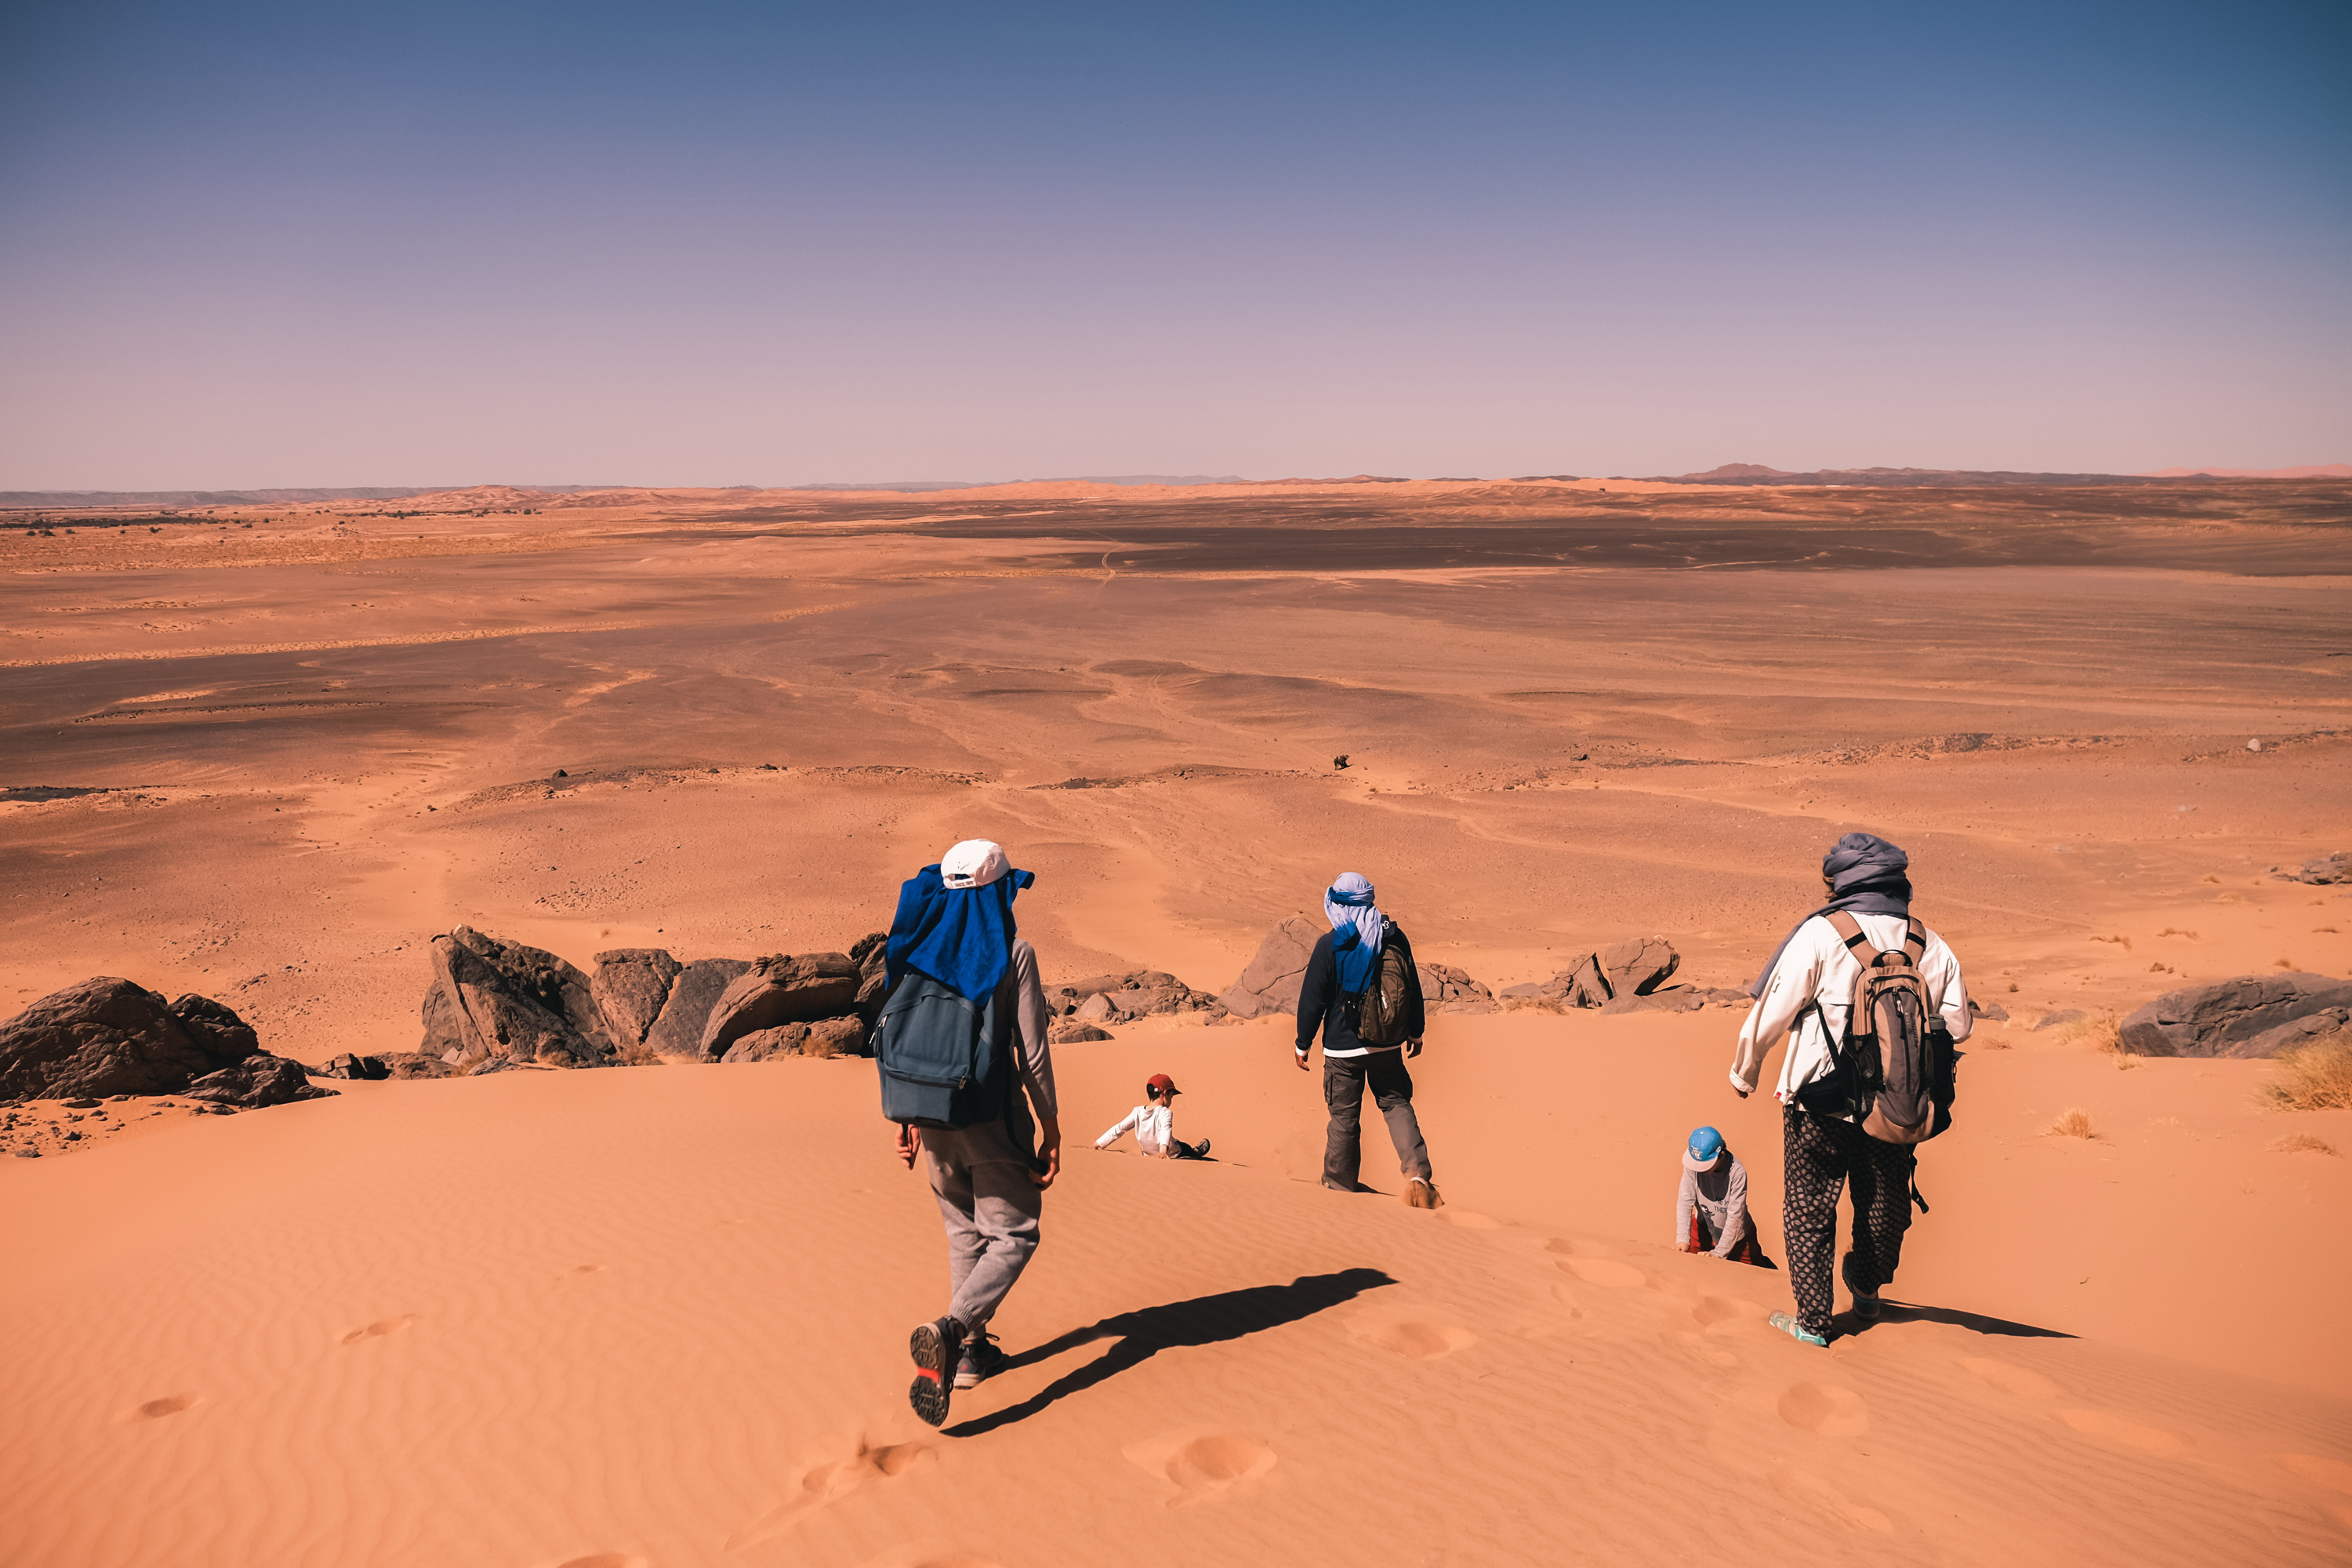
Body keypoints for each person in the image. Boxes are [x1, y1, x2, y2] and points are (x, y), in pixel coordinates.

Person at [1730, 832, 1970, 1346]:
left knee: (1808, 1211)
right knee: (1884, 1206)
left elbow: (1774, 1010)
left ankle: (1814, 1324)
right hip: (1894, 1103)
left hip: (1816, 1100)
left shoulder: (1820, 935)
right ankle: (1865, 1284)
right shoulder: (1931, 943)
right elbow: (1960, 1025)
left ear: (1840, 882)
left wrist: (1744, 1070)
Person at [885, 838, 1062, 1425]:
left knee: (965, 1234)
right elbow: (1032, 1053)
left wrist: (906, 1118)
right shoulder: (1013, 953)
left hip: (932, 1118)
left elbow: (904, 1035)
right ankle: (952, 1328)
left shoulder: (917, 950)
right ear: (999, 892)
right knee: (1014, 1236)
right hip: (992, 1118)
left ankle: (969, 1358)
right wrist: (1051, 1127)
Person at [1294, 871, 1439, 1207]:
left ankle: (1339, 1188)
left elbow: (1312, 1000)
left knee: (1344, 1117)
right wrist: (1415, 1032)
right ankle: (1417, 1175)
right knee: (1396, 1103)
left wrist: (1303, 1044)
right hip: (1387, 1045)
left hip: (1342, 1051)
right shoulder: (1394, 938)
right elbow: (1412, 989)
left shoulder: (1332, 943)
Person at [1675, 1126, 1772, 1267]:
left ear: (1721, 1154)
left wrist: (1718, 1253)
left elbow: (1736, 1215)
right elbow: (1685, 1201)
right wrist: (1683, 1240)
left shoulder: (1737, 1172)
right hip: (1702, 1229)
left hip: (1738, 1239)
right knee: (1689, 1268)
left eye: (1705, 1164)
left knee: (1754, 1275)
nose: (1699, 1168)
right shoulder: (1693, 1164)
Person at [1094, 1072, 1212, 1160]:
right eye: (1171, 1096)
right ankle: (1196, 1152)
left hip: (1148, 1154)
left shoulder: (1137, 1112)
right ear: (1165, 1093)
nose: (1171, 1099)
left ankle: (1193, 1151)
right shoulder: (1164, 1112)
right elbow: (1166, 1130)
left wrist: (1099, 1143)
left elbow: (1120, 1128)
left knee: (1178, 1143)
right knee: (1184, 1148)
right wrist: (1163, 1151)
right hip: (1174, 1153)